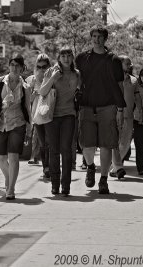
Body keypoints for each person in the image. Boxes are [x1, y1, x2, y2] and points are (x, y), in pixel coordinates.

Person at [75, 26, 126, 194]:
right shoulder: (82, 58)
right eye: (94, 36)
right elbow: (76, 80)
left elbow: (119, 86)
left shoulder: (114, 60)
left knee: (106, 145)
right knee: (86, 144)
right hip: (87, 107)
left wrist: (120, 109)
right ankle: (90, 166)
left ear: (105, 39)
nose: (96, 39)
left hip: (108, 107)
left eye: (100, 36)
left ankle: (103, 180)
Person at [0, 55, 32, 200]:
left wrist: (30, 128)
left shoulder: (25, 87)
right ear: (9, 66)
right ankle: (8, 177)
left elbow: (27, 108)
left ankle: (11, 189)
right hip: (1, 124)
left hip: (18, 124)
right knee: (1, 157)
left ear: (22, 68)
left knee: (13, 156)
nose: (14, 67)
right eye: (12, 64)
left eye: (17, 65)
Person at [40, 48, 80, 196]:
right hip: (51, 116)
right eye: (63, 55)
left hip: (69, 115)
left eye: (69, 55)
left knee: (67, 150)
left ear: (72, 58)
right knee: (54, 150)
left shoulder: (77, 74)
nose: (66, 58)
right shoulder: (51, 72)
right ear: (58, 58)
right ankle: (55, 185)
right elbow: (42, 92)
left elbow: (82, 91)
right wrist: (52, 79)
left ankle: (66, 186)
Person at [110, 55, 140, 179]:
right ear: (119, 64)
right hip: (114, 114)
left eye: (130, 63)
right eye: (127, 63)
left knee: (126, 143)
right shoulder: (111, 79)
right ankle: (116, 167)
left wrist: (140, 111)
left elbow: (137, 97)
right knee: (114, 142)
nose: (130, 65)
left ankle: (115, 166)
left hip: (128, 116)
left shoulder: (134, 80)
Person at [26, 54, 52, 178]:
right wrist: (34, 93)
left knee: (50, 142)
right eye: (39, 66)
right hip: (37, 115)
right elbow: (28, 100)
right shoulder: (32, 80)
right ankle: (45, 167)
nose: (42, 69)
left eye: (44, 66)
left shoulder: (52, 77)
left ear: (49, 66)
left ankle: (51, 166)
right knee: (42, 143)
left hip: (51, 115)